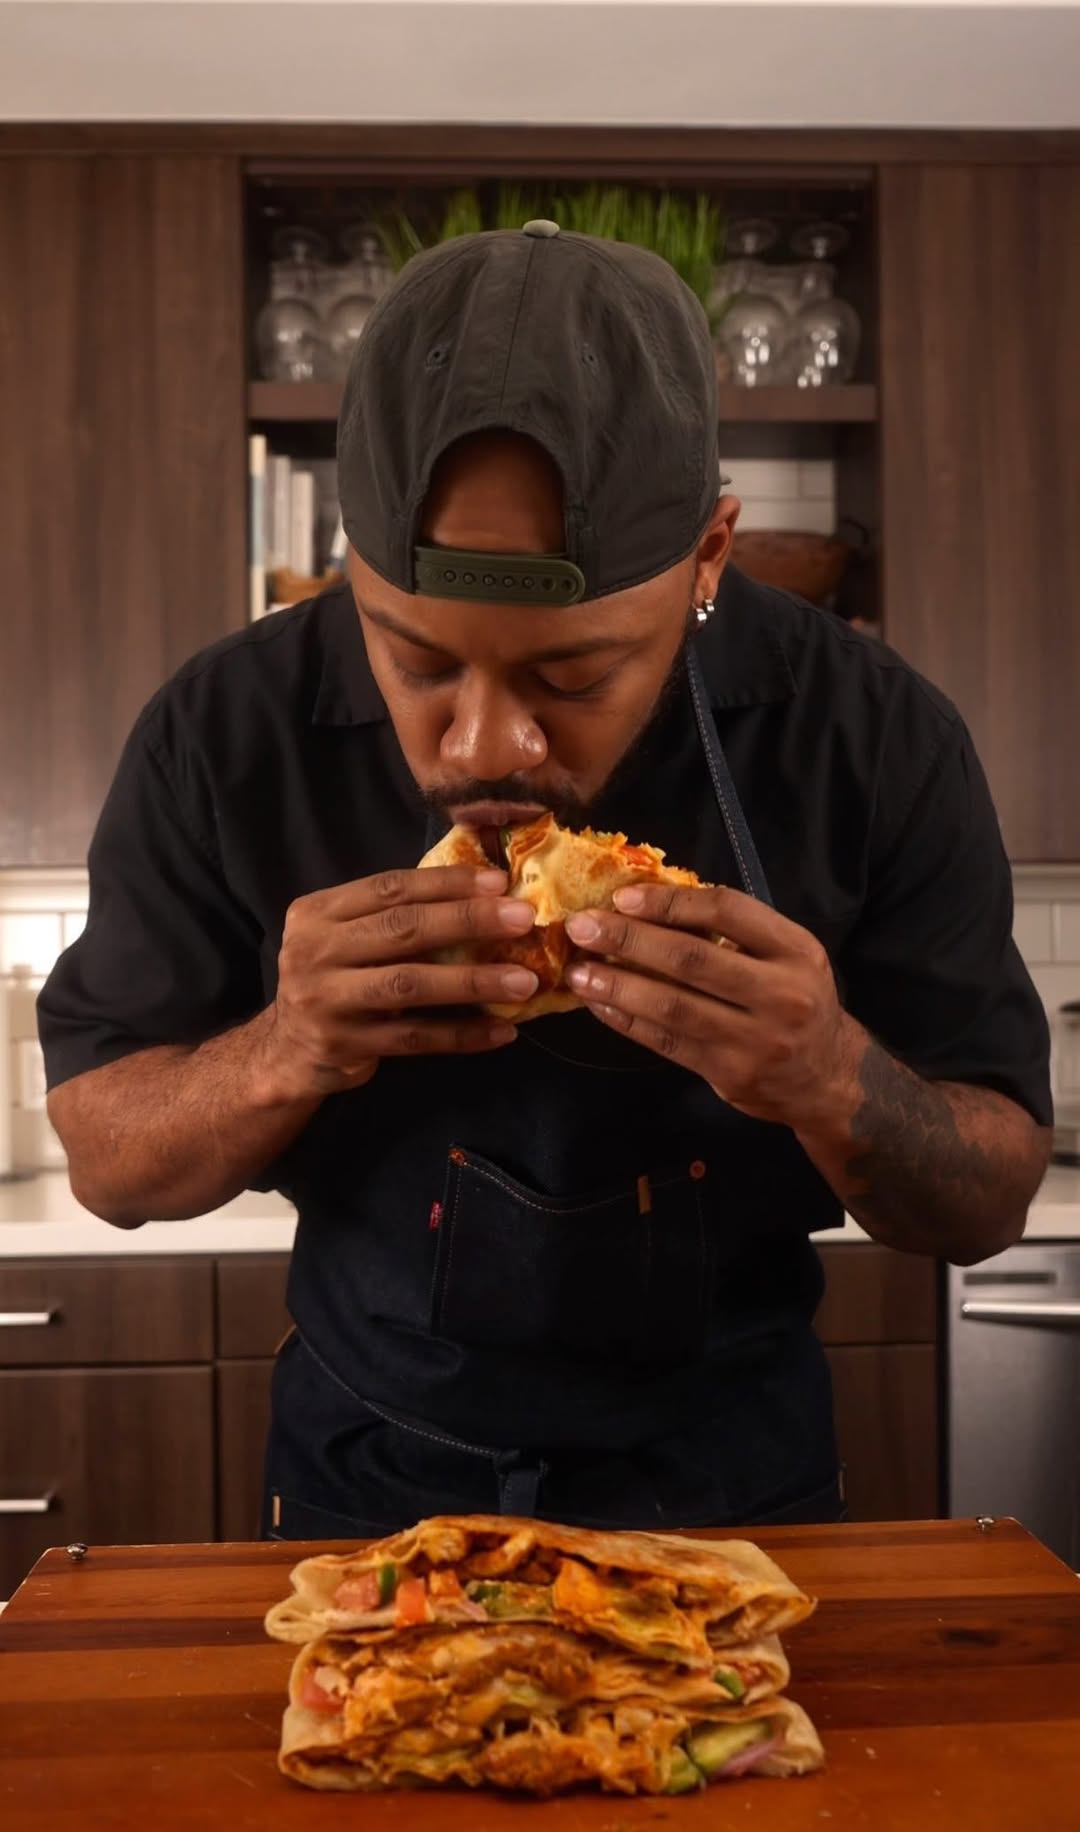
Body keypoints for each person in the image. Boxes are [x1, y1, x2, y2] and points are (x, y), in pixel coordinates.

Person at [39, 222, 1052, 1539]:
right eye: (417, 662)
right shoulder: (224, 731)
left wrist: (828, 1071)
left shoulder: (869, 736)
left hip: (737, 1485)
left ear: (709, 558)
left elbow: (991, 1197)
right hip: (367, 1483)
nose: (483, 747)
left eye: (570, 674)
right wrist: (288, 1046)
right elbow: (107, 1163)